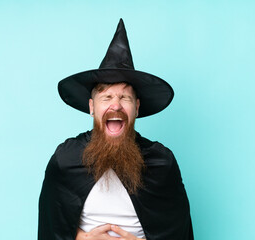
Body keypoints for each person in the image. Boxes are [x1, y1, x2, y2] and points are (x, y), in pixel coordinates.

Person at [38, 19, 194, 240]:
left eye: (124, 97)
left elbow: (180, 234)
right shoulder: (65, 159)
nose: (116, 105)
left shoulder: (162, 162)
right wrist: (82, 238)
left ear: (136, 107)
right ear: (92, 107)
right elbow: (50, 226)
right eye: (107, 97)